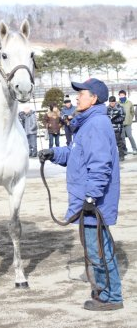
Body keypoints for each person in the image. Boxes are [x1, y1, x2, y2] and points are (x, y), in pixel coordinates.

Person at [39, 78, 123, 311]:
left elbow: (100, 165)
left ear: (93, 98)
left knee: (99, 249)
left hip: (92, 202)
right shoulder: (88, 123)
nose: (77, 97)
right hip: (87, 199)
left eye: (82, 94)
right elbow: (77, 155)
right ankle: (103, 290)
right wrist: (53, 153)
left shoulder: (96, 124)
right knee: (95, 247)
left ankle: (112, 296)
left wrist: (91, 197)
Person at [118, 90, 137, 155]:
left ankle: (134, 149)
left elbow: (132, 112)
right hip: (121, 123)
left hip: (128, 123)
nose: (121, 96)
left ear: (125, 95)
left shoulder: (129, 103)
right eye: (120, 95)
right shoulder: (118, 103)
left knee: (130, 136)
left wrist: (130, 119)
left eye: (122, 95)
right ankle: (124, 150)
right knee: (122, 137)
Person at [107, 96, 125, 161]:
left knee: (119, 143)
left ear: (115, 101)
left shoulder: (120, 108)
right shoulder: (107, 108)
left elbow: (122, 117)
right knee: (110, 143)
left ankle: (121, 156)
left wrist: (114, 120)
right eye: (110, 102)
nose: (111, 104)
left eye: (113, 102)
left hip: (117, 128)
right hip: (109, 129)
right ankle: (111, 156)